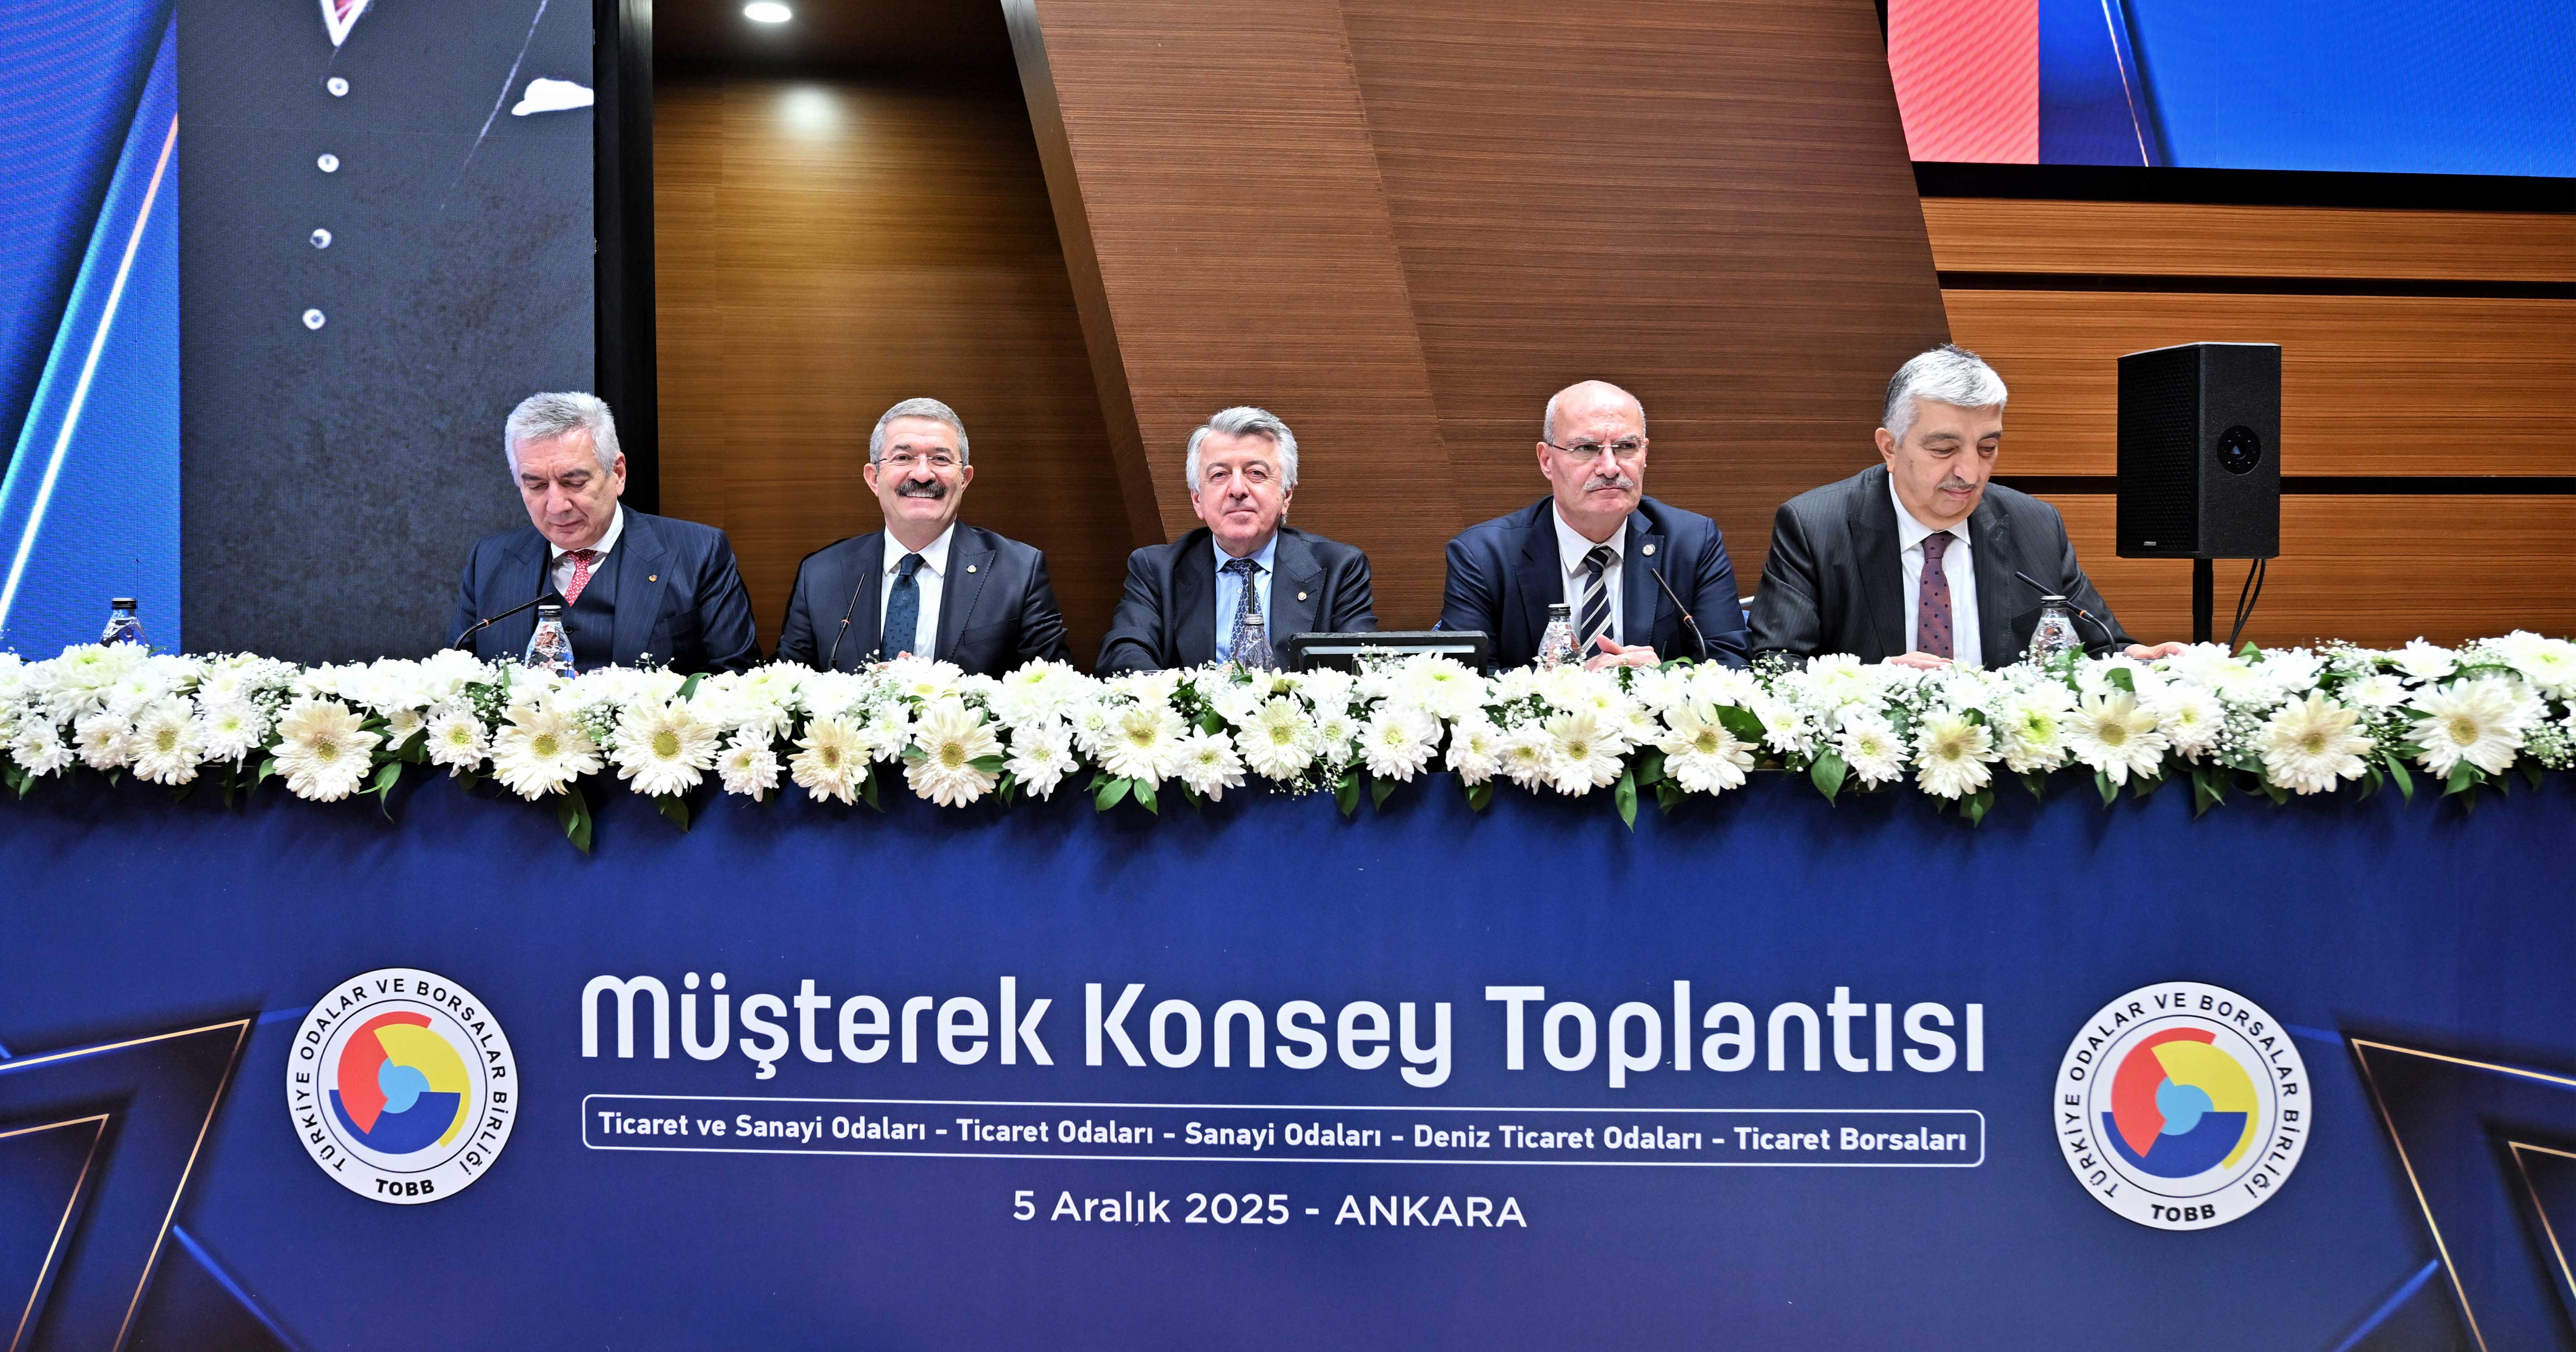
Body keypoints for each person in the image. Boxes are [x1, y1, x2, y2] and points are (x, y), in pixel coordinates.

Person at [1749, 344, 2186, 667]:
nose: (1971, 472)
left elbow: (2097, 648)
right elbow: (1774, 663)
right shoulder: (1815, 527)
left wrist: (2137, 661)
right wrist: (1872, 684)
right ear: (1890, 448)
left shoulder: (2034, 525)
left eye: (1987, 448)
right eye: (1944, 449)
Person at [1437, 380, 1749, 669]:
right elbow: (1466, 682)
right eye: (1586, 449)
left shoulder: (1692, 543)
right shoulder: (1483, 556)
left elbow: (1730, 664)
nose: (1610, 468)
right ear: (1547, 461)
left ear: (1644, 455)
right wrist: (1575, 684)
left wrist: (1660, 677)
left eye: (1626, 447)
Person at [452, 392, 760, 674]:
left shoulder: (699, 553)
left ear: (618, 474)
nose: (557, 506)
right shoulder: (490, 559)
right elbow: (460, 682)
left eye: (574, 482)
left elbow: (735, 681)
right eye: (536, 485)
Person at [776, 398, 1073, 675]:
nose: (922, 475)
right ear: (874, 479)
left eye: (940, 459)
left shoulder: (1018, 571)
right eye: (903, 457)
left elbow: (1052, 693)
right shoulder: (821, 574)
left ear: (964, 479)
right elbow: (787, 693)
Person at [1097, 406, 1375, 673]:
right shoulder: (1156, 570)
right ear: (1198, 500)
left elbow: (1361, 667)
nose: (1238, 490)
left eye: (1256, 473)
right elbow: (1123, 654)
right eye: (1220, 475)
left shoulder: (1339, 568)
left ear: (1286, 495)